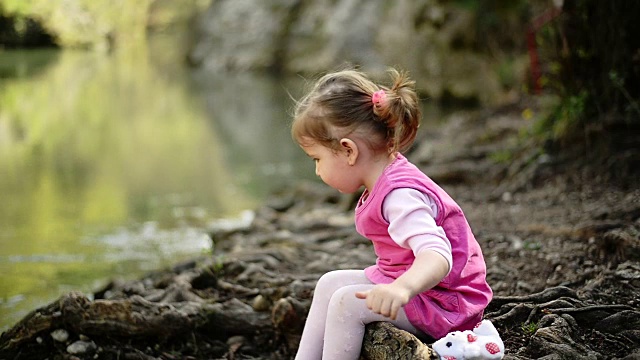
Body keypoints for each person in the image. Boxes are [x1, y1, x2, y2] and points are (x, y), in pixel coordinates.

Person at [290, 68, 492, 360]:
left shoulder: (399, 195)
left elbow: (437, 255)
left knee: (346, 303)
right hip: (420, 291)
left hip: (446, 304)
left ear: (348, 151)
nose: (317, 170)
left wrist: (401, 289)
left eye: (317, 159)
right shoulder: (385, 176)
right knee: (329, 283)